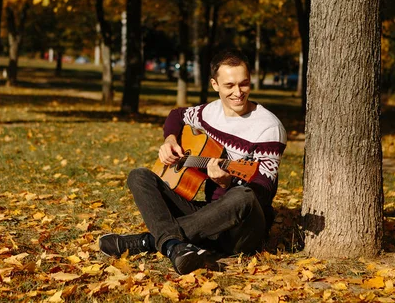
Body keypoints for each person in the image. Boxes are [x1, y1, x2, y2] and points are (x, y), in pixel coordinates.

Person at [99, 49, 287, 274]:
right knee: (138, 176)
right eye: (229, 86)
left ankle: (151, 242)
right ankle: (177, 246)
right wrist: (170, 140)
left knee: (243, 196)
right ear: (215, 84)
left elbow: (263, 192)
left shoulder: (268, 127)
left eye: (244, 84)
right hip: (207, 215)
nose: (238, 92)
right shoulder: (208, 112)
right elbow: (176, 116)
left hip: (243, 228)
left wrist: (227, 184)